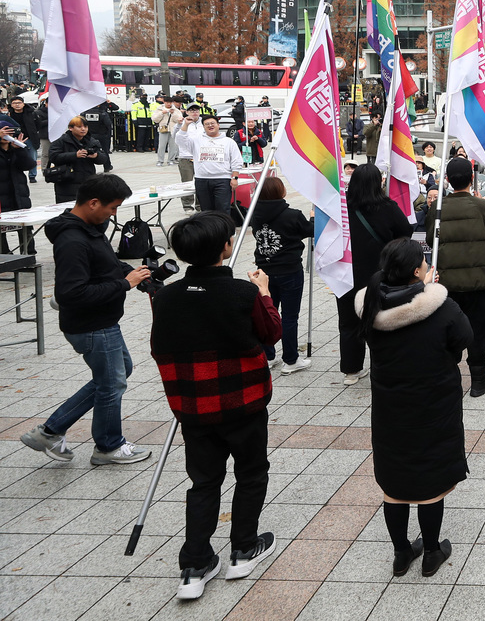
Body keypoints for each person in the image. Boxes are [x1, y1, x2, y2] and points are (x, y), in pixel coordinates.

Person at [149, 211, 282, 600]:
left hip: (193, 407)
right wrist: (264, 292)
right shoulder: (242, 292)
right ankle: (243, 546)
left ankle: (195, 562)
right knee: (252, 471)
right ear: (225, 247)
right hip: (244, 403)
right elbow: (271, 332)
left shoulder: (167, 296)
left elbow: (160, 347)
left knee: (204, 480)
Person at [355, 237, 470, 579]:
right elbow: (463, 340)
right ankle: (432, 551)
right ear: (418, 270)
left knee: (395, 483)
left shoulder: (370, 306)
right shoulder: (440, 307)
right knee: (431, 481)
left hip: (390, 407)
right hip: (434, 404)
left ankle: (402, 553)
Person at [20, 175, 151, 466]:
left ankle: (50, 431)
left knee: (117, 374)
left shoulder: (89, 228)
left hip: (103, 321)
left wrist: (132, 273)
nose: (114, 214)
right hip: (92, 326)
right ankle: (108, 446)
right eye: (113, 207)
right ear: (93, 203)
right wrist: (124, 284)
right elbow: (71, 293)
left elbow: (105, 263)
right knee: (111, 383)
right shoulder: (72, 240)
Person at [423, 158, 485, 397]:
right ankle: (479, 381)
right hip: (480, 280)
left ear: (447, 180)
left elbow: (431, 240)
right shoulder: (482, 206)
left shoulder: (437, 208)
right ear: (471, 179)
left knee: (447, 329)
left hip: (447, 282)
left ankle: (448, 379)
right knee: (479, 330)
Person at [339, 164, 414, 386]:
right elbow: (406, 231)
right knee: (379, 320)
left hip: (345, 273)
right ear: (377, 182)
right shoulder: (388, 207)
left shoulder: (342, 208)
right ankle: (384, 366)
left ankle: (351, 370)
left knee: (348, 322)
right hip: (379, 273)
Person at [249, 177, 314, 374]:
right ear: (281, 192)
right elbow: (311, 231)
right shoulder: (292, 215)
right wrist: (312, 218)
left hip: (264, 272)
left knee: (268, 313)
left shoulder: (254, 215)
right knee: (289, 316)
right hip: (289, 270)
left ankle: (268, 355)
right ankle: (291, 359)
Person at [179, 114, 242, 214]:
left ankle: (226, 229)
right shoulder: (197, 140)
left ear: (218, 125)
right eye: (206, 124)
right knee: (206, 211)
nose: (210, 126)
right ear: (203, 127)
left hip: (222, 180)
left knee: (223, 209)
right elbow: (180, 140)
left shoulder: (228, 142)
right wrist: (185, 124)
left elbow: (236, 161)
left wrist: (235, 178)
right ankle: (209, 230)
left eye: (212, 123)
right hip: (202, 180)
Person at [47, 116, 109, 203]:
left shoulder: (91, 141)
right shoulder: (61, 140)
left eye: (85, 127)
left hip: (88, 182)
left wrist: (96, 156)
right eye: (79, 127)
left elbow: (103, 158)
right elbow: (54, 157)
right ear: (70, 128)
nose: (83, 129)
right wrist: (75, 155)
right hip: (67, 182)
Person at [0, 117, 35, 254]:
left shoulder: (16, 149)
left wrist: (20, 149)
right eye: (3, 132)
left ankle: (29, 254)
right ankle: (4, 256)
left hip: (19, 195)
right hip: (2, 198)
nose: (6, 136)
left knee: (25, 227)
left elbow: (29, 165)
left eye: (9, 132)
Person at [7, 95, 38, 182]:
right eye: (14, 103)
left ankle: (32, 176)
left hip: (29, 138)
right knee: (14, 157)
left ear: (23, 104)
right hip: (14, 139)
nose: (17, 105)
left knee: (32, 157)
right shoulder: (9, 115)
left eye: (19, 103)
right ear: (11, 105)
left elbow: (38, 125)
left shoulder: (31, 112)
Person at [152, 96, 179, 167]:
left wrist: (173, 114)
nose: (169, 104)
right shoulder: (159, 109)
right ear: (164, 102)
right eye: (167, 102)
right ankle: (160, 161)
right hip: (163, 129)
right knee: (161, 146)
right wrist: (162, 113)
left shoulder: (175, 110)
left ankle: (171, 160)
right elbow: (154, 119)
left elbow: (179, 120)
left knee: (173, 146)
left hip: (173, 130)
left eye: (170, 102)